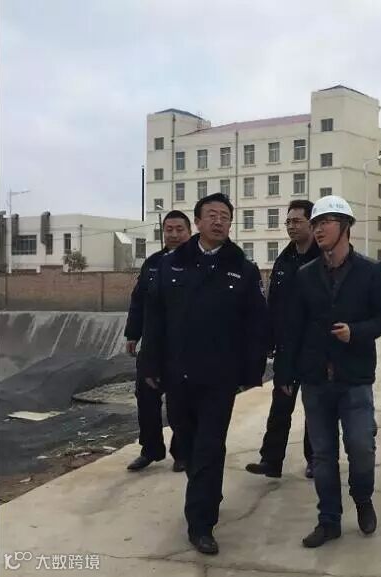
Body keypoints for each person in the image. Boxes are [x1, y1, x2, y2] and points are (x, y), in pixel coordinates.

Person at [141, 193, 269, 555]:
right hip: (177, 374)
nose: (218, 221)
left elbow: (256, 324)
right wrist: (150, 364)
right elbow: (155, 317)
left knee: (210, 447)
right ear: (197, 222)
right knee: (188, 444)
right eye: (211, 215)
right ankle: (206, 492)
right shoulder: (171, 265)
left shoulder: (241, 269)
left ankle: (201, 523)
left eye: (225, 216)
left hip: (219, 378)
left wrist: (251, 371)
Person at [280, 194, 381, 548]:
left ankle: (362, 498)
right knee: (323, 455)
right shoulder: (305, 275)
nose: (318, 230)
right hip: (315, 380)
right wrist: (286, 372)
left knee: (361, 447)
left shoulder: (371, 271)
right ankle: (328, 520)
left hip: (354, 378)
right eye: (315, 224)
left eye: (325, 222)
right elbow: (293, 326)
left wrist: (355, 332)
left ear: (346, 227)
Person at [246, 200, 319, 479]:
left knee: (314, 408)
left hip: (313, 347)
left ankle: (315, 459)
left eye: (297, 221)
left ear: (312, 223)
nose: (291, 226)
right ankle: (271, 460)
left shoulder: (323, 259)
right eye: (288, 222)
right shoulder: (283, 260)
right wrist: (269, 340)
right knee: (280, 405)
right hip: (287, 347)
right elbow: (273, 304)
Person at [125, 210, 191, 472]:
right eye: (169, 229)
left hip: (182, 347)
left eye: (179, 229)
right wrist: (133, 334)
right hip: (153, 345)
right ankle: (150, 449)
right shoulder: (152, 263)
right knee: (146, 398)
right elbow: (138, 300)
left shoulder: (197, 264)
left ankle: (182, 452)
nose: (173, 234)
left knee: (180, 403)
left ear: (190, 232)